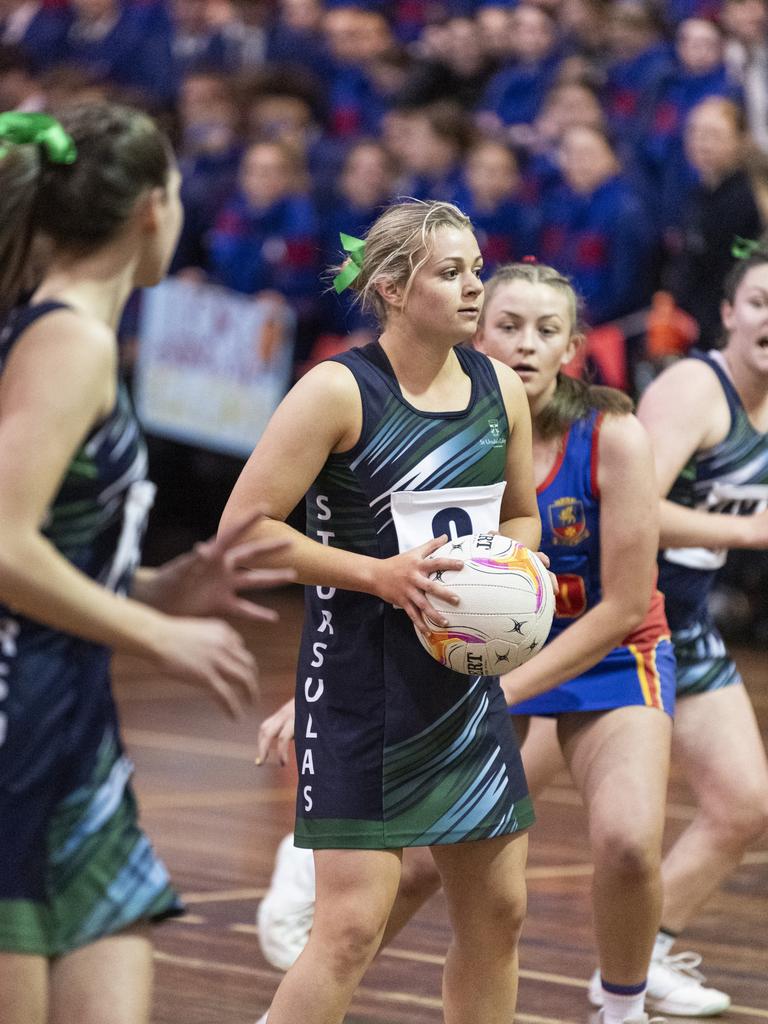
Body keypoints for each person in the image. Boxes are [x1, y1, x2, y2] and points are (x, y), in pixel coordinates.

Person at [254, 259, 678, 1024]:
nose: (523, 343)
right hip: (473, 655)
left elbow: (622, 604)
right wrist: (308, 695)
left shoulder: (606, 433)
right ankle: (304, 945)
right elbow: (373, 563)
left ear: (574, 345)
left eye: (546, 330)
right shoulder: (406, 403)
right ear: (477, 334)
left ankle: (626, 1005)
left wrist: (500, 657)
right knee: (390, 895)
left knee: (600, 855)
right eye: (508, 326)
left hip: (586, 652)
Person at [0, 104, 293, 1024]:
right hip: (18, 723)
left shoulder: (79, 338)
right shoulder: (71, 341)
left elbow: (50, 547)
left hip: (73, 726)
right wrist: (156, 629)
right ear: (148, 212)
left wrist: (169, 582)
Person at [219, 199, 542, 1024]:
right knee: (352, 927)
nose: (474, 288)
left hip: (463, 689)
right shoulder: (336, 389)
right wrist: (379, 574)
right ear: (394, 288)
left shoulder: (498, 387)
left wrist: (513, 571)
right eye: (451, 273)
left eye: (476, 269)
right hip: (363, 683)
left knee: (499, 914)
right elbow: (244, 533)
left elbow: (521, 515)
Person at [628, 238, 768, 1016]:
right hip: (615, 617)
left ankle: (638, 955)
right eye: (759, 303)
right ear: (727, 314)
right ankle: (320, 869)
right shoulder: (693, 386)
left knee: (744, 805)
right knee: (494, 788)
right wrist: (751, 532)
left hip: (686, 619)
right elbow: (631, 507)